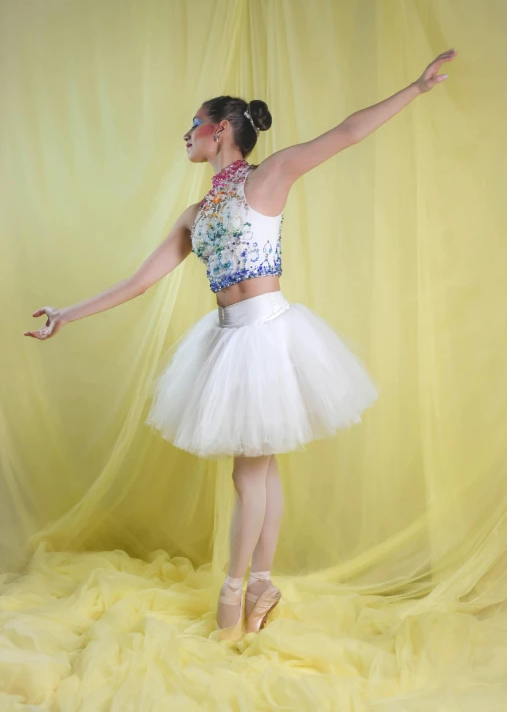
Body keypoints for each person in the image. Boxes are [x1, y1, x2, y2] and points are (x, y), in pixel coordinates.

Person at [24, 48, 458, 641]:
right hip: (228, 341)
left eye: (193, 125)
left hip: (266, 335)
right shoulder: (196, 213)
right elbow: (138, 281)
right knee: (261, 469)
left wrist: (416, 87)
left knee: (248, 476)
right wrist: (66, 315)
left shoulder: (267, 177)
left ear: (220, 129)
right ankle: (260, 583)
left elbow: (347, 133)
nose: (186, 134)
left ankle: (234, 595)